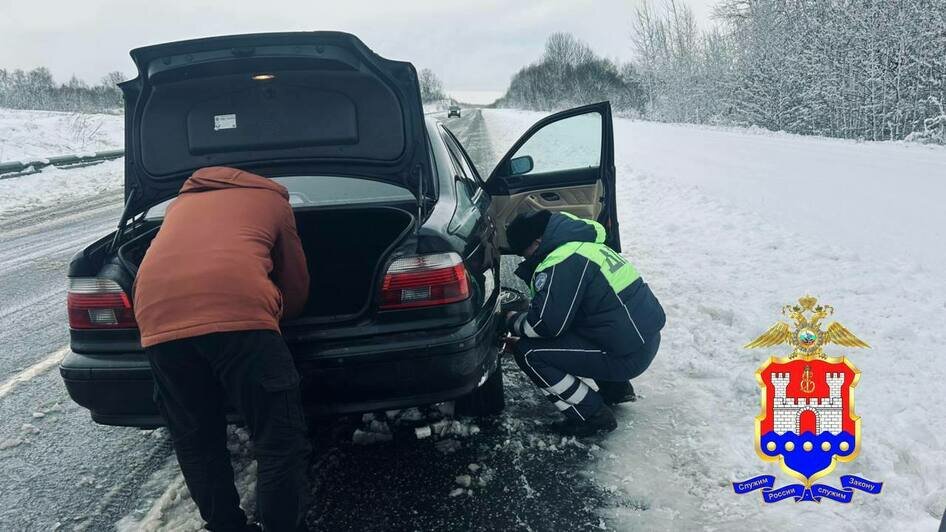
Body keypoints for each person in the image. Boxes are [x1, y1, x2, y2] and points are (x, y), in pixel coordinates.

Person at [134, 166, 311, 532]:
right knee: (279, 440)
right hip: (241, 316)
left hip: (157, 320)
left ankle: (225, 526)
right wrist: (279, 313)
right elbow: (296, 281)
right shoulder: (272, 199)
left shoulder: (180, 205)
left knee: (197, 440)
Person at [503, 210, 665, 437]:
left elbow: (544, 326)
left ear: (538, 242)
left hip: (627, 356)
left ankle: (592, 415)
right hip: (644, 340)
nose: (525, 259)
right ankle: (616, 389)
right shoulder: (586, 247)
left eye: (525, 252)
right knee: (590, 321)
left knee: (529, 353)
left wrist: (510, 321)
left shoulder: (563, 261)